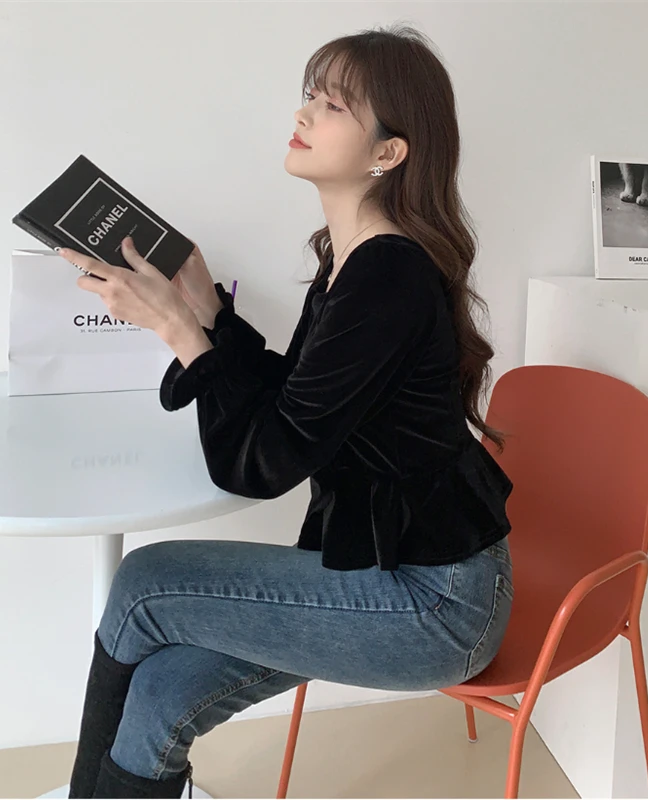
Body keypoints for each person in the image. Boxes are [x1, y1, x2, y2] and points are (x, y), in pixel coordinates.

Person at [64, 23, 515, 800]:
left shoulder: (389, 276)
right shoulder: (350, 258)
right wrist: (208, 312)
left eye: (333, 105)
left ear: (388, 153)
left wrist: (178, 332)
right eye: (311, 95)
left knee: (143, 582)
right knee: (162, 693)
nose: (304, 113)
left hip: (432, 604)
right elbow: (296, 403)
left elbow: (262, 465)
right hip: (378, 573)